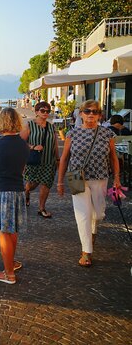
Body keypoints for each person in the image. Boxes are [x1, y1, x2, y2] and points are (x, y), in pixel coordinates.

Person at [57, 100, 120, 267]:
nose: (91, 114)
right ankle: (86, 251)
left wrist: (117, 179)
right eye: (87, 111)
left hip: (100, 177)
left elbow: (113, 158)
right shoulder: (72, 133)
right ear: (81, 114)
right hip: (76, 177)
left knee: (98, 214)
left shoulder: (107, 134)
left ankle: (93, 230)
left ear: (99, 115)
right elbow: (64, 158)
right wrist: (60, 182)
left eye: (95, 112)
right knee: (82, 214)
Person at [0, 107, 29, 284]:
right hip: (18, 190)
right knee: (13, 231)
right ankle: (11, 262)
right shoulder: (23, 145)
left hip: (1, 191)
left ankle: (9, 273)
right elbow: (22, 169)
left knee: (3, 232)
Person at [20, 101, 59, 218]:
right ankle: (26, 191)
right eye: (42, 110)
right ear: (36, 112)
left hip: (49, 161)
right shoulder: (29, 125)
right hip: (34, 160)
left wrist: (57, 158)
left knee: (46, 184)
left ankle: (42, 208)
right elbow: (21, 142)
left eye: (48, 111)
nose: (45, 113)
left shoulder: (51, 127)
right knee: (32, 184)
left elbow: (55, 144)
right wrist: (33, 146)